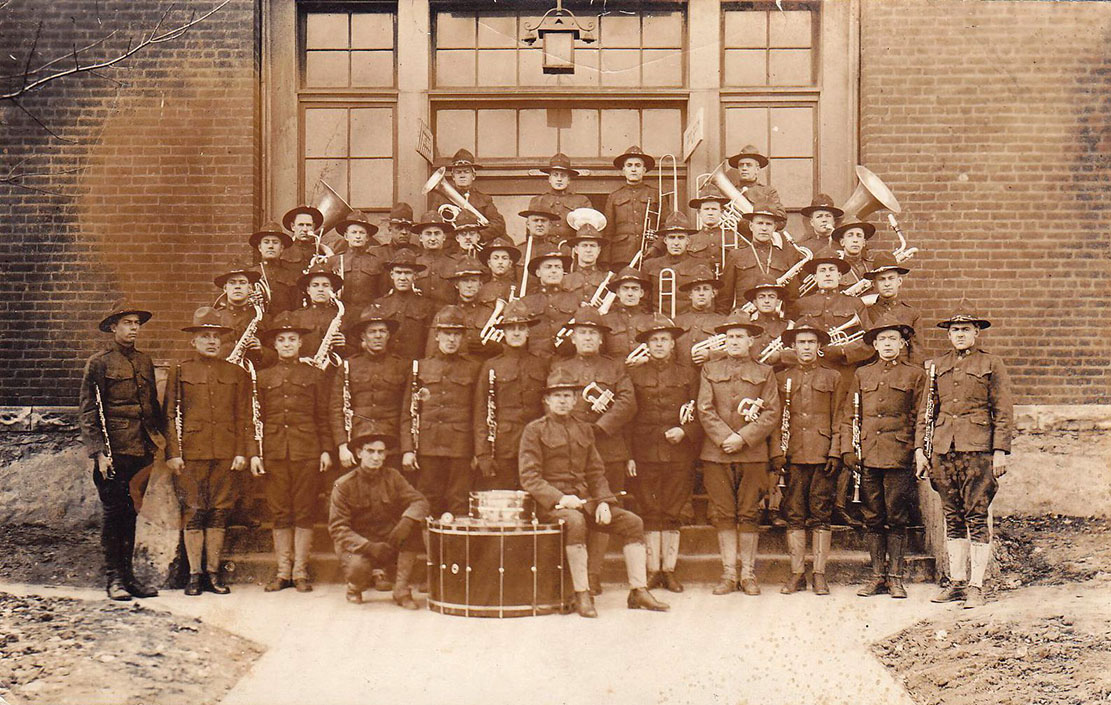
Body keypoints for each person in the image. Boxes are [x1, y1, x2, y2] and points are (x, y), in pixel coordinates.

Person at [518, 368, 668, 617]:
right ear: (547, 400)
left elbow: (596, 473)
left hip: (586, 502)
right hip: (550, 507)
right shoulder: (534, 431)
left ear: (576, 399)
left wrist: (604, 502)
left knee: (633, 523)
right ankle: (582, 593)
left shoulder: (584, 429)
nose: (563, 400)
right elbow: (530, 478)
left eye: (567, 395)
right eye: (557, 396)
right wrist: (561, 498)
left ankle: (638, 590)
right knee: (575, 522)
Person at [916, 302, 1014, 609]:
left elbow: (1002, 410)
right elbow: (926, 412)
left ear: (976, 333)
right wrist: (921, 450)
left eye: (966, 330)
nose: (959, 335)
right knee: (952, 516)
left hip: (978, 449)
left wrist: (1000, 451)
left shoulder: (992, 363)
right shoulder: (936, 365)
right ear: (948, 334)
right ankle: (956, 582)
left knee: (977, 514)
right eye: (955, 330)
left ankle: (976, 585)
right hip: (944, 450)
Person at [79, 301, 165, 601]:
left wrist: (161, 443)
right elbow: (89, 412)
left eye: (136, 323)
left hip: (141, 451)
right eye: (127, 323)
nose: (133, 328)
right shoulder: (99, 363)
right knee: (114, 515)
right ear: (113, 327)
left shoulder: (144, 361)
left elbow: (151, 407)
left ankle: (130, 579)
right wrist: (99, 453)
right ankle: (114, 579)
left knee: (132, 514)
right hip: (113, 453)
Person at [164, 307, 253, 596]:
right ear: (193, 341)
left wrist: (241, 451)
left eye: (216, 336)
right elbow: (169, 415)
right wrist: (173, 452)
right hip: (191, 453)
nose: (212, 341)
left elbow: (244, 416)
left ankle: (213, 574)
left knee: (219, 512)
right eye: (205, 336)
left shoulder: (236, 373)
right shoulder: (180, 371)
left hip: (226, 453)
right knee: (193, 512)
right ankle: (194, 575)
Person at [550, 306, 638, 595]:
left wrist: (599, 428)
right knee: (576, 509)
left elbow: (628, 403)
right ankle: (576, 577)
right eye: (582, 333)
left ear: (601, 339)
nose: (587, 338)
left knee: (605, 511)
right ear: (573, 338)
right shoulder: (560, 366)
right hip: (570, 451)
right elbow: (552, 404)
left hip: (609, 448)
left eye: (593, 333)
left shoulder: (615, 366)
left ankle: (594, 572)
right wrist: (576, 433)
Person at [696, 311, 779, 596]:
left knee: (749, 513)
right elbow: (704, 409)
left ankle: (748, 575)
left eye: (740, 337)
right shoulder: (709, 369)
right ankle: (729, 574)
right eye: (729, 337)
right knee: (723, 513)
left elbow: (771, 413)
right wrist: (724, 438)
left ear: (751, 341)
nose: (734, 341)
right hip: (716, 454)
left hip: (752, 454)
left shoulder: (765, 372)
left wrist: (742, 439)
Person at [842, 316, 925, 600]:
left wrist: (916, 450)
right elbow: (850, 414)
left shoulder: (916, 375)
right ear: (875, 345)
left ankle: (896, 578)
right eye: (882, 340)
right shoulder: (862, 374)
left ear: (902, 344)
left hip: (899, 454)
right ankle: (877, 576)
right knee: (873, 516)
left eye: (893, 339)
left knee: (897, 516)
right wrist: (848, 449)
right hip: (868, 453)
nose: (888, 344)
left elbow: (920, 416)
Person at [253, 312, 333, 593]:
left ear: (301, 343)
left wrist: (325, 450)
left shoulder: (315, 375)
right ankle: (282, 572)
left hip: (307, 450)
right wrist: (256, 453)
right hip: (275, 451)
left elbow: (323, 415)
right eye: (282, 340)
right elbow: (256, 418)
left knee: (304, 510)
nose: (287, 344)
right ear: (274, 344)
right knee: (280, 511)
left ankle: (300, 572)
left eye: (293, 340)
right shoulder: (263, 378)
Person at [770, 319, 844, 595]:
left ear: (819, 346)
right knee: (795, 514)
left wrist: (836, 450)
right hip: (793, 455)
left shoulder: (833, 377)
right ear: (792, 346)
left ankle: (820, 573)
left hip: (822, 454)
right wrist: (778, 451)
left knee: (821, 514)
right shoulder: (781, 378)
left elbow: (840, 416)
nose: (806, 347)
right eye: (801, 342)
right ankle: (797, 573)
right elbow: (775, 419)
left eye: (811, 342)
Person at [626, 314, 700, 593]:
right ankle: (651, 570)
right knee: (649, 510)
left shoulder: (688, 374)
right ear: (646, 344)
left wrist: (685, 431)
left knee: (672, 511)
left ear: (673, 344)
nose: (659, 344)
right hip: (644, 451)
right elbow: (627, 419)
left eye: (664, 340)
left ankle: (668, 570)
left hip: (678, 452)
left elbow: (699, 411)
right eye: (654, 340)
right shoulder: (635, 375)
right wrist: (629, 455)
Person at [329, 433, 429, 609]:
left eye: (381, 452)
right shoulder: (343, 485)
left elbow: (420, 501)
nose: (376, 457)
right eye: (370, 451)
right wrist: (368, 546)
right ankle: (354, 587)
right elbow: (338, 528)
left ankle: (401, 590)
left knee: (413, 526)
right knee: (357, 567)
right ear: (359, 453)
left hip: (387, 538)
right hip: (356, 544)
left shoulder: (393, 476)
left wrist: (405, 521)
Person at [400, 306, 481, 516]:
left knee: (460, 500)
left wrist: (477, 451)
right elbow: (408, 411)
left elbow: (478, 413)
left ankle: (457, 549)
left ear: (463, 337)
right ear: (437, 335)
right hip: (428, 446)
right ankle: (432, 549)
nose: (452, 339)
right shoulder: (421, 367)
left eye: (456, 334)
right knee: (427, 499)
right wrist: (408, 449)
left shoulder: (473, 368)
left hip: (460, 447)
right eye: (447, 333)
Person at [472, 300, 550, 490]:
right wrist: (483, 454)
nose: (516, 333)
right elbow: (481, 412)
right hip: (502, 448)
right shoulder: (491, 365)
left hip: (537, 446)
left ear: (528, 331)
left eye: (521, 328)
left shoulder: (541, 364)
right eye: (511, 328)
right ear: (503, 333)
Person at [718, 202, 801, 314]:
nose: (764, 228)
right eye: (760, 223)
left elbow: (792, 299)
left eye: (768, 224)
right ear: (751, 226)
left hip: (775, 323)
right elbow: (724, 300)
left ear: (775, 228)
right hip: (744, 322)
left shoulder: (785, 257)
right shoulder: (735, 255)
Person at [427, 148, 506, 242]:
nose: (462, 175)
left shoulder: (485, 199)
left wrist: (478, 236)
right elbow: (432, 225)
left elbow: (499, 224)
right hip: (451, 248)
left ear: (473, 176)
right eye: (458, 172)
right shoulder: (440, 200)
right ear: (453, 177)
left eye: (466, 172)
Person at [603, 145, 662, 267]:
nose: (633, 169)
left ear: (644, 170)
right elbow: (608, 231)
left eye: (638, 165)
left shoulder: (655, 194)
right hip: (621, 256)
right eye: (629, 166)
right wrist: (605, 261)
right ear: (624, 170)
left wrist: (656, 247)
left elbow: (665, 225)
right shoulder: (614, 197)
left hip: (650, 255)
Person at [213, 258, 276, 371]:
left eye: (242, 282)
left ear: (250, 288)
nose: (237, 287)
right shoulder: (215, 317)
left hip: (252, 377)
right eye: (232, 283)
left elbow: (276, 357)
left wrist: (262, 350)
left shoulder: (264, 319)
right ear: (225, 288)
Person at [519, 244, 579, 358]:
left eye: (558, 267)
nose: (554, 271)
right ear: (538, 273)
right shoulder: (526, 302)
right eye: (548, 267)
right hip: (536, 362)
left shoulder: (574, 299)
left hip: (566, 360)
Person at [376, 250, 436, 360]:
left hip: (413, 366)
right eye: (398, 273)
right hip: (386, 367)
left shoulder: (426, 306)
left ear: (415, 276)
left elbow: (430, 342)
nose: (403, 278)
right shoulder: (380, 304)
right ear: (392, 275)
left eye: (407, 273)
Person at [863, 253, 922, 364]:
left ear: (899, 281)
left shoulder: (912, 313)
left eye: (891, 278)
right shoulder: (867, 312)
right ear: (874, 284)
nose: (887, 284)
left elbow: (916, 352)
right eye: (882, 279)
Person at [431, 257, 495, 359]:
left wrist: (494, 347)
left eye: (473, 281)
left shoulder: (489, 313)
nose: (469, 285)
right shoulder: (444, 314)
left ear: (480, 285)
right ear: (456, 285)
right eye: (465, 281)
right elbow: (431, 352)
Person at [642, 212, 703, 317]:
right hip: (659, 325)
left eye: (681, 237)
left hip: (690, 324)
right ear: (665, 240)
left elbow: (707, 302)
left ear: (688, 240)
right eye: (672, 237)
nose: (676, 243)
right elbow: (642, 302)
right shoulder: (650, 265)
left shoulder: (700, 264)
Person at [529, 152, 593, 244]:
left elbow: (588, 230)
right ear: (549, 179)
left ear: (569, 180)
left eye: (563, 175)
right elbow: (531, 232)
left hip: (570, 247)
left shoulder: (582, 201)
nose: (559, 179)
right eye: (555, 175)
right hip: (544, 248)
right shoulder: (537, 201)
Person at [328, 210, 385, 312]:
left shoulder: (377, 262)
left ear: (367, 237)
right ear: (346, 236)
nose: (358, 236)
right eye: (354, 232)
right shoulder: (334, 261)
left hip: (367, 315)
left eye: (362, 233)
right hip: (341, 315)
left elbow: (383, 293)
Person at [292, 261, 347, 365]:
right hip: (303, 369)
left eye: (325, 285)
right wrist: (299, 360)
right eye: (315, 285)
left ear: (332, 289)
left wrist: (344, 345)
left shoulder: (341, 317)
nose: (320, 289)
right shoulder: (295, 316)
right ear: (308, 290)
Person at [673, 265, 727, 368]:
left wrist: (711, 355)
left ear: (713, 293)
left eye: (705, 289)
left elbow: (733, 353)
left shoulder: (723, 322)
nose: (701, 293)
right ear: (690, 294)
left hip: (710, 377)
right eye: (697, 289)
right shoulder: (677, 322)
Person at [601, 267, 653, 360]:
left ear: (641, 293)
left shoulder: (652, 319)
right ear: (618, 292)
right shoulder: (605, 321)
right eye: (625, 289)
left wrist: (646, 360)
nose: (630, 293)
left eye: (635, 289)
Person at [249, 222, 300, 314]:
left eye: (275, 242)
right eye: (266, 242)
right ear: (260, 247)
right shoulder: (250, 274)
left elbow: (297, 309)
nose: (271, 246)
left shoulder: (292, 276)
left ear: (282, 248)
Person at [411, 210, 458, 307]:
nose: (433, 238)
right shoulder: (413, 262)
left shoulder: (455, 264)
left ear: (444, 237)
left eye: (437, 233)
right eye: (428, 234)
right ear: (420, 237)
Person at [687, 186, 735, 276]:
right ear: (699, 212)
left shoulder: (734, 238)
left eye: (714, 209)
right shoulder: (690, 240)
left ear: (722, 212)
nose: (710, 213)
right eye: (706, 209)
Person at [560, 224, 609, 304]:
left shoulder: (607, 279)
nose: (588, 250)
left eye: (592, 246)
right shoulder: (564, 280)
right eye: (584, 246)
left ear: (599, 250)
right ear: (576, 249)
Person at [725, 144, 782, 210]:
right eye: (741, 165)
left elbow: (780, 215)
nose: (744, 168)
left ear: (757, 169)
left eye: (748, 165)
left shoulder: (768, 192)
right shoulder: (731, 191)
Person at [476, 236, 521, 305]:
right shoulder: (481, 290)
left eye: (504, 258)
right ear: (489, 263)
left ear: (510, 263)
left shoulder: (519, 289)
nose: (500, 262)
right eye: (496, 258)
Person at [832, 219, 877, 287]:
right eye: (850, 235)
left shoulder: (873, 266)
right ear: (842, 242)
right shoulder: (836, 268)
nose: (855, 240)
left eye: (859, 236)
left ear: (864, 242)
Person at [281, 204, 326, 272]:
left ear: (313, 227)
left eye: (308, 225)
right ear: (293, 226)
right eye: (301, 225)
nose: (305, 229)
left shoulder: (321, 252)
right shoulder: (283, 251)